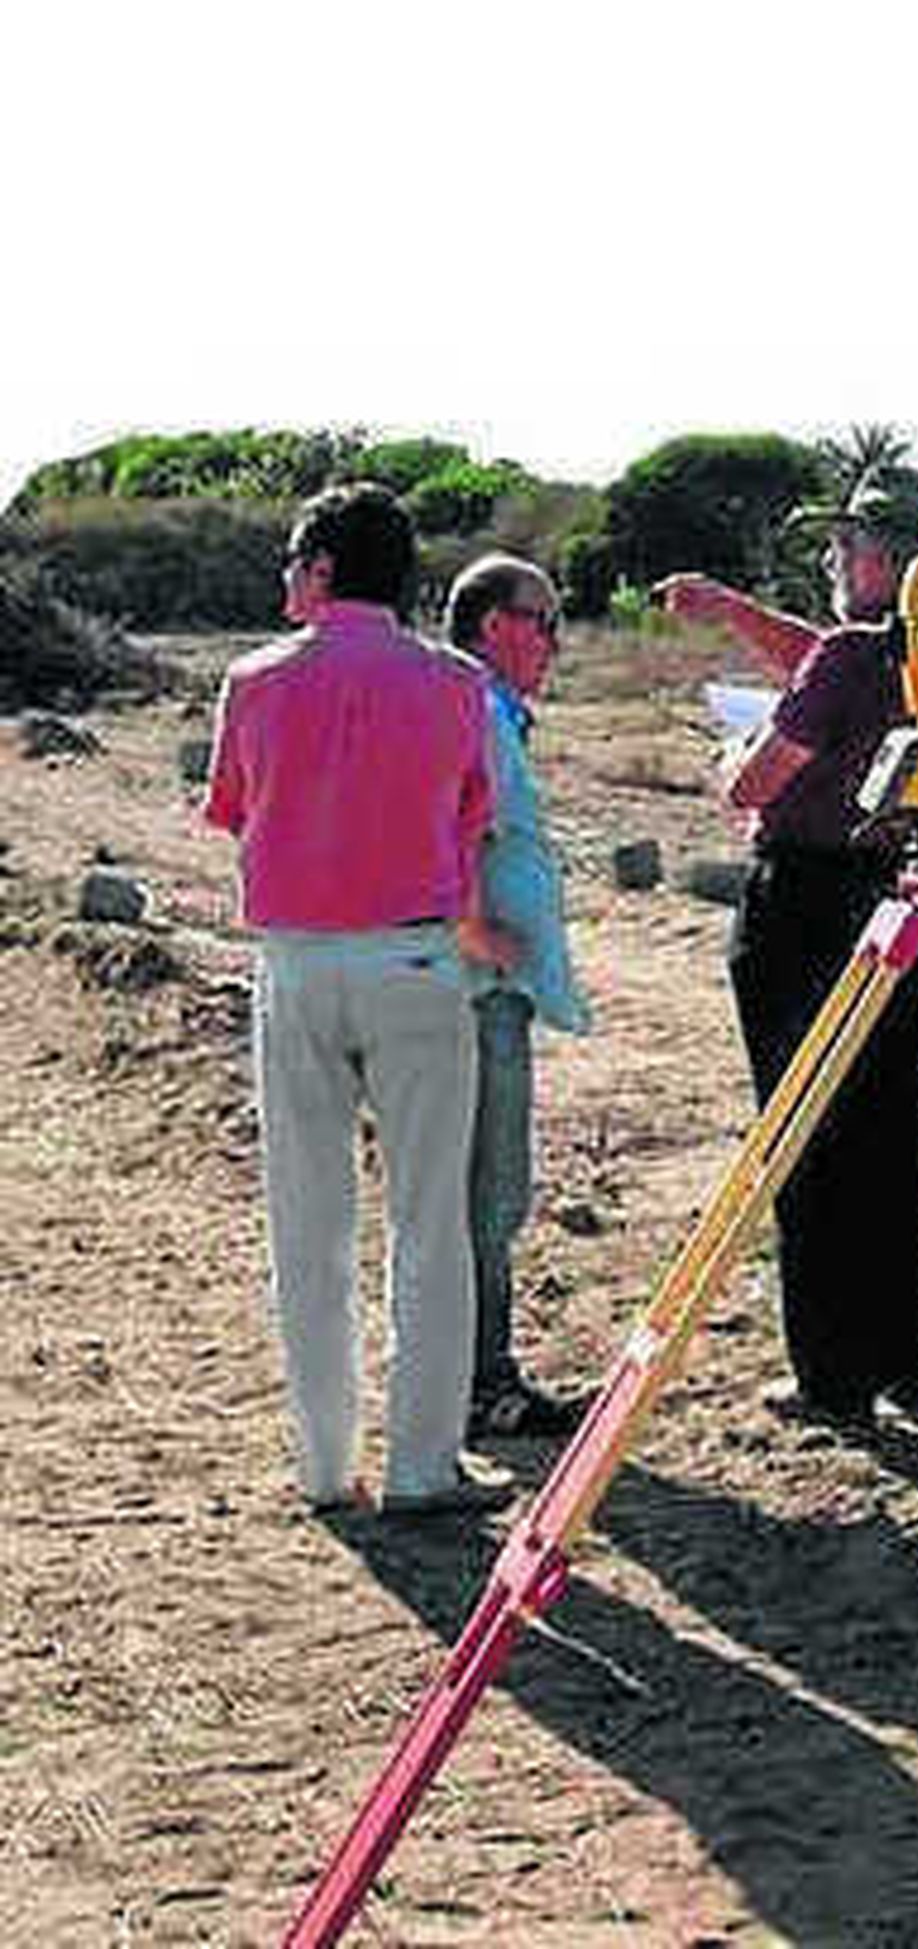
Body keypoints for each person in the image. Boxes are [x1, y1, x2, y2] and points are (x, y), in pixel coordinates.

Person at [204, 483, 512, 1516]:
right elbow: (473, 817)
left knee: (308, 1220)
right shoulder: (458, 683)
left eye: (298, 560)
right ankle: (424, 1462)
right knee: (430, 1222)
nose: (289, 577)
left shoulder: (251, 681)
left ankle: (325, 1464)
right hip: (417, 965)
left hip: (295, 964)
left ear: (324, 569)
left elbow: (234, 810)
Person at [656, 492, 918, 1435]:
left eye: (844, 544)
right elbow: (822, 655)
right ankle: (906, 1360)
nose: (831, 558)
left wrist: (736, 750)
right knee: (893, 1130)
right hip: (893, 894)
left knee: (808, 1135)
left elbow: (757, 777)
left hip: (807, 904)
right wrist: (738, 611)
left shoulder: (846, 657)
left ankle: (832, 1373)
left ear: (879, 558)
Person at [443, 552, 592, 1441]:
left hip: (486, 978)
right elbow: (447, 814)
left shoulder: (486, 707)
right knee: (486, 1192)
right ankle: (481, 1382)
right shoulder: (470, 706)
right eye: (544, 621)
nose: (555, 643)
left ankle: (473, 1374)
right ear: (496, 622)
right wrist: (473, 927)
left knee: (481, 1192)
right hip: (476, 984)